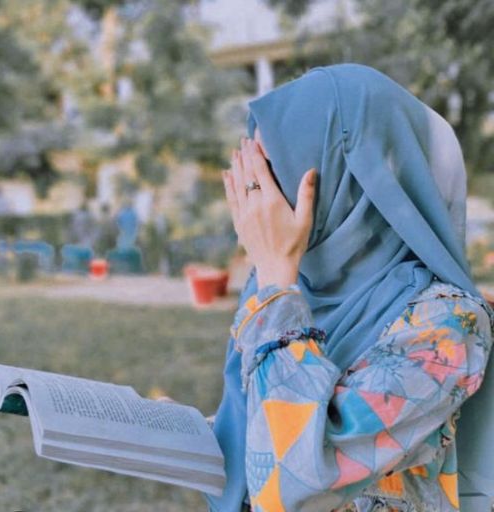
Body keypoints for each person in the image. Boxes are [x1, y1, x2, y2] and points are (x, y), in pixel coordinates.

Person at [204, 64, 494, 512]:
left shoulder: (447, 326)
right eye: (252, 173)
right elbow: (253, 432)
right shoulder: (285, 289)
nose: (256, 198)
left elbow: (297, 483)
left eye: (271, 171)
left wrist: (276, 280)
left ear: (351, 180)